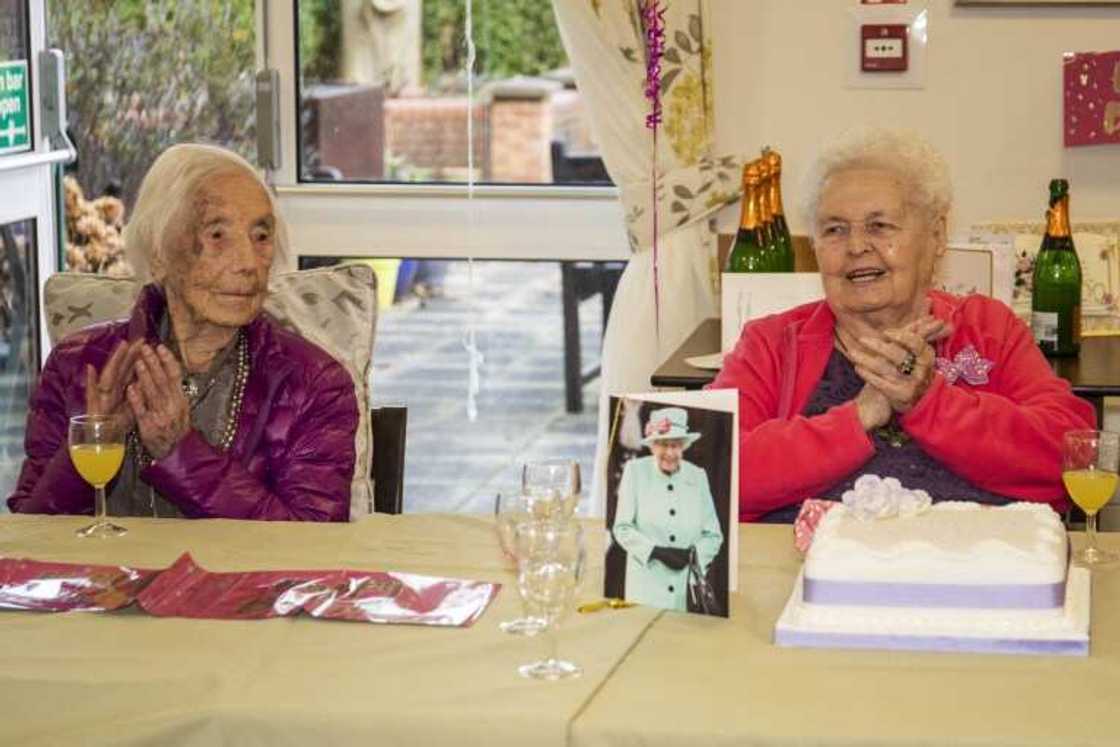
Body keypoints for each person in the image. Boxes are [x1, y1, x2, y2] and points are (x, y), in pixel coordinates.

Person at [710, 127, 1095, 523]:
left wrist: (929, 402)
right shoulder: (771, 343)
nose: (857, 246)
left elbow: (1072, 459)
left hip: (970, 571)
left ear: (936, 236)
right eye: (834, 229)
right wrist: (859, 416)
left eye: (880, 226)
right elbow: (710, 475)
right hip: (809, 575)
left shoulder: (987, 328)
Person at [8, 144, 359, 521]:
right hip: (110, 580)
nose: (248, 263)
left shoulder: (314, 384)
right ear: (159, 252)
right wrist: (97, 438)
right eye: (217, 234)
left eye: (260, 236)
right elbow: (32, 532)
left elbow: (314, 547)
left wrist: (181, 451)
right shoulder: (78, 366)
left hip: (238, 582)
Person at [612, 407, 724, 611]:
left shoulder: (698, 476)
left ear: (684, 446)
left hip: (685, 590)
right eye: (663, 445)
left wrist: (693, 557)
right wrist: (655, 551)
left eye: (676, 445)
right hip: (645, 590)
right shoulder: (635, 472)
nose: (670, 453)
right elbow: (622, 527)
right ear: (653, 446)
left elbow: (713, 536)